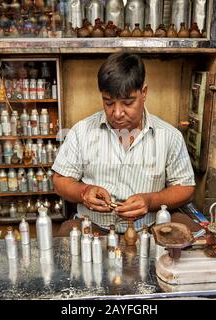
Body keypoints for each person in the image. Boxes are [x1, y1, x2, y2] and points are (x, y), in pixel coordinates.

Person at [52, 53, 196, 235]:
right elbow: (59, 181)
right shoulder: (82, 131)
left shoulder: (169, 136)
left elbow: (186, 188)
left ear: (144, 93)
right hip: (94, 228)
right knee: (65, 238)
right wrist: (84, 191)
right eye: (109, 102)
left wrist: (150, 201)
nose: (117, 113)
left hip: (148, 229)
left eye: (128, 102)